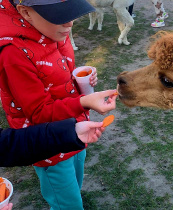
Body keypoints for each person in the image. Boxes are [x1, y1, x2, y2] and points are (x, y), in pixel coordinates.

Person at [0, 0, 117, 209]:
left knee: (75, 178)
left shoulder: (53, 33)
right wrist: (83, 101)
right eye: (59, 16)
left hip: (74, 128)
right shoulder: (13, 53)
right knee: (66, 202)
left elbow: (54, 78)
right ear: (26, 12)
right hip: (49, 146)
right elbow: (39, 112)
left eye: (72, 12)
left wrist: (80, 83)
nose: (70, 23)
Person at [0, 118, 107, 167]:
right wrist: (83, 101)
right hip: (53, 160)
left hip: (65, 142)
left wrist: (71, 133)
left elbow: (8, 145)